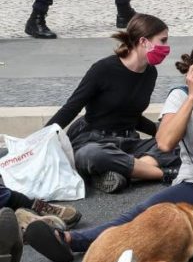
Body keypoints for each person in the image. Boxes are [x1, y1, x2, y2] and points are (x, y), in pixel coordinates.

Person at [24, 35, 193, 262]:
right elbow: (165, 143)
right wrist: (192, 97)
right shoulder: (180, 97)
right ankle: (71, 241)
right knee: (142, 215)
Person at [43, 14, 180, 193]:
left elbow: (132, 116)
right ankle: (160, 173)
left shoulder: (150, 73)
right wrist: (41, 140)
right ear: (144, 41)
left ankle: (126, 172)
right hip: (94, 141)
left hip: (128, 143)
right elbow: (71, 107)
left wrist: (164, 133)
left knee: (180, 143)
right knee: (90, 156)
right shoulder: (104, 69)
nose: (166, 48)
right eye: (163, 40)